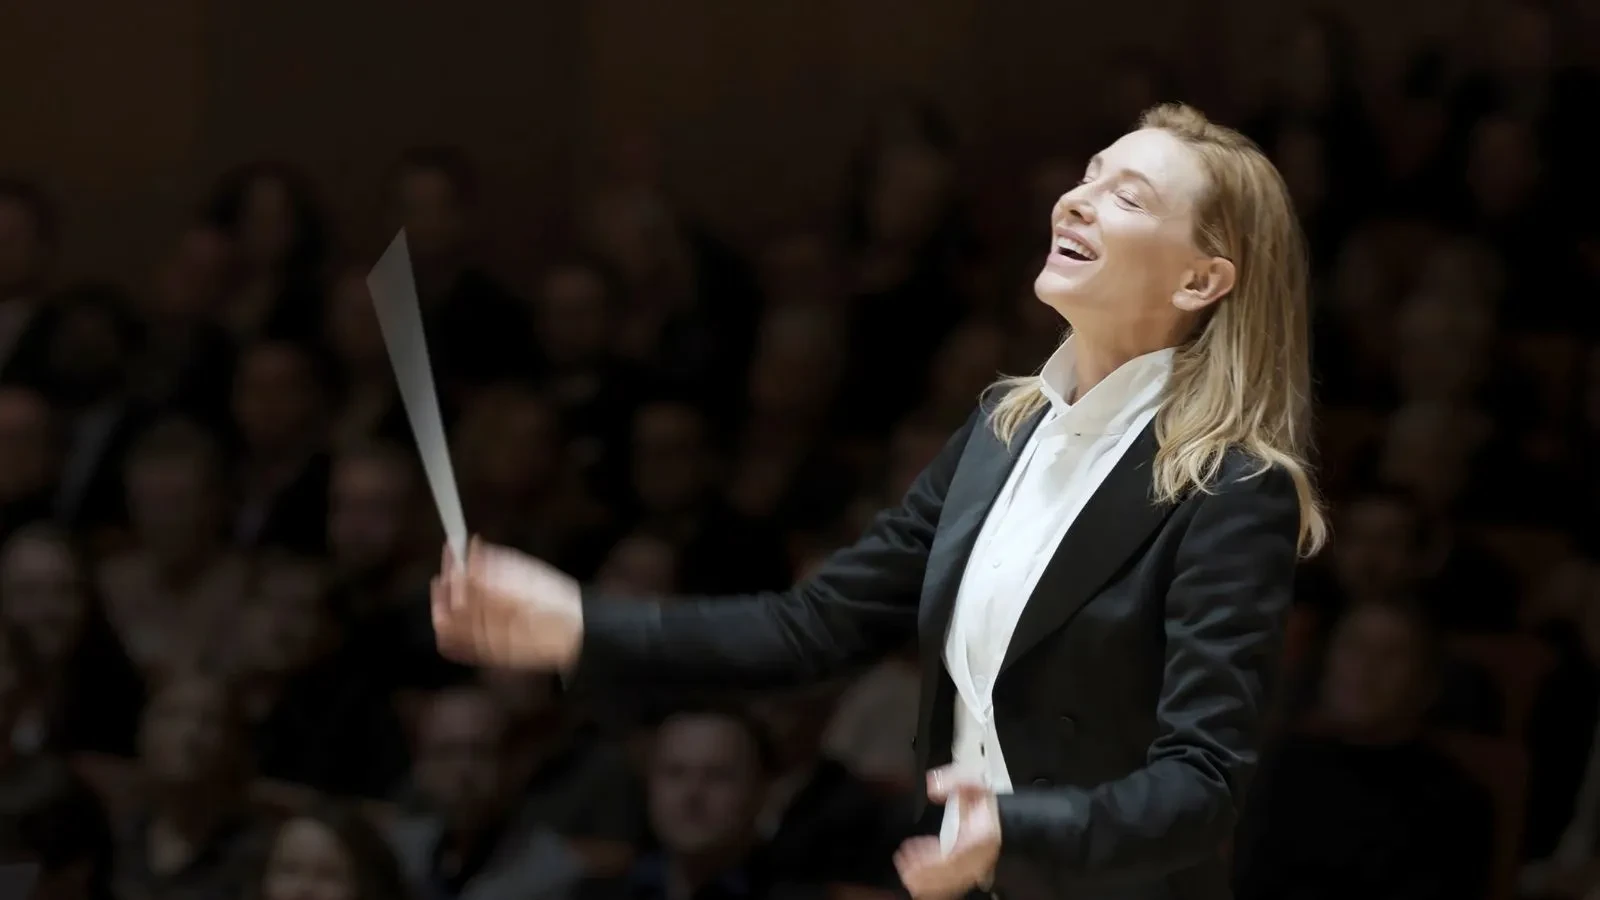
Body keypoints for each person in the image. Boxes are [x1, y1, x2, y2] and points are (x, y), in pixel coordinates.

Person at [432, 102, 1326, 900]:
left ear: (1201, 281)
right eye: (1088, 176)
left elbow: (1203, 782)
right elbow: (815, 626)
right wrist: (581, 624)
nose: (1076, 200)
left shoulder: (1233, 486)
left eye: (1127, 197)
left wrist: (1015, 826)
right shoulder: (1001, 430)